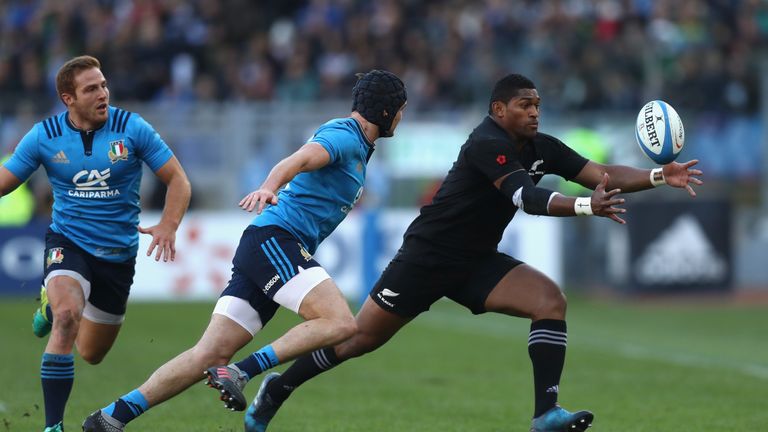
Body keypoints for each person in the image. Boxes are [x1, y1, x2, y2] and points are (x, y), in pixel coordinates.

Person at [239, 73, 703, 432]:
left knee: (549, 302)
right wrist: (585, 206)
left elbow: (600, 171)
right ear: (498, 109)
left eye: (538, 105)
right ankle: (276, 389)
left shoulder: (541, 147)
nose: (535, 113)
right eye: (525, 106)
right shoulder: (486, 142)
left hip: (478, 260)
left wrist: (661, 176)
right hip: (429, 256)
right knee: (358, 339)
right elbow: (525, 198)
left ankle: (546, 414)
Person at [81, 69, 408, 431]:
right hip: (276, 239)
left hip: (264, 245)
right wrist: (269, 186)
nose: (401, 118)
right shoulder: (345, 135)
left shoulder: (359, 147)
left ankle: (111, 417)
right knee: (340, 322)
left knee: (208, 353)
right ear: (385, 110)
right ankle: (242, 372)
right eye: (400, 110)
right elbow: (299, 159)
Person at [0, 55, 191, 432]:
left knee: (91, 353)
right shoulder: (44, 136)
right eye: (91, 89)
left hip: (117, 257)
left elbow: (178, 180)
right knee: (68, 316)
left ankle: (49, 307)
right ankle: (53, 426)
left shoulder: (132, 129)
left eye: (103, 85)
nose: (103, 93)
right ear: (68, 98)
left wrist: (169, 225)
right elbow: (4, 182)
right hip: (68, 242)